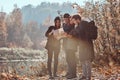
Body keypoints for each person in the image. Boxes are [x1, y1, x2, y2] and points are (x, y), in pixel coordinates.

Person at [71, 15, 94, 80]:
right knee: (83, 60)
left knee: (87, 61)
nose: (74, 22)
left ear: (77, 19)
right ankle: (84, 75)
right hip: (82, 45)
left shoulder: (83, 24)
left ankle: (88, 77)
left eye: (74, 20)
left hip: (87, 45)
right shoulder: (79, 26)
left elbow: (79, 32)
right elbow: (77, 34)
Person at [62, 13, 78, 79]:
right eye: (65, 19)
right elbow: (64, 31)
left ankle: (73, 74)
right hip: (65, 44)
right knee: (68, 59)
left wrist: (69, 23)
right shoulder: (64, 25)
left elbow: (69, 31)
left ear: (69, 18)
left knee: (72, 59)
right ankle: (69, 72)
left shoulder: (72, 24)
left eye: (67, 19)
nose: (66, 20)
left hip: (72, 44)